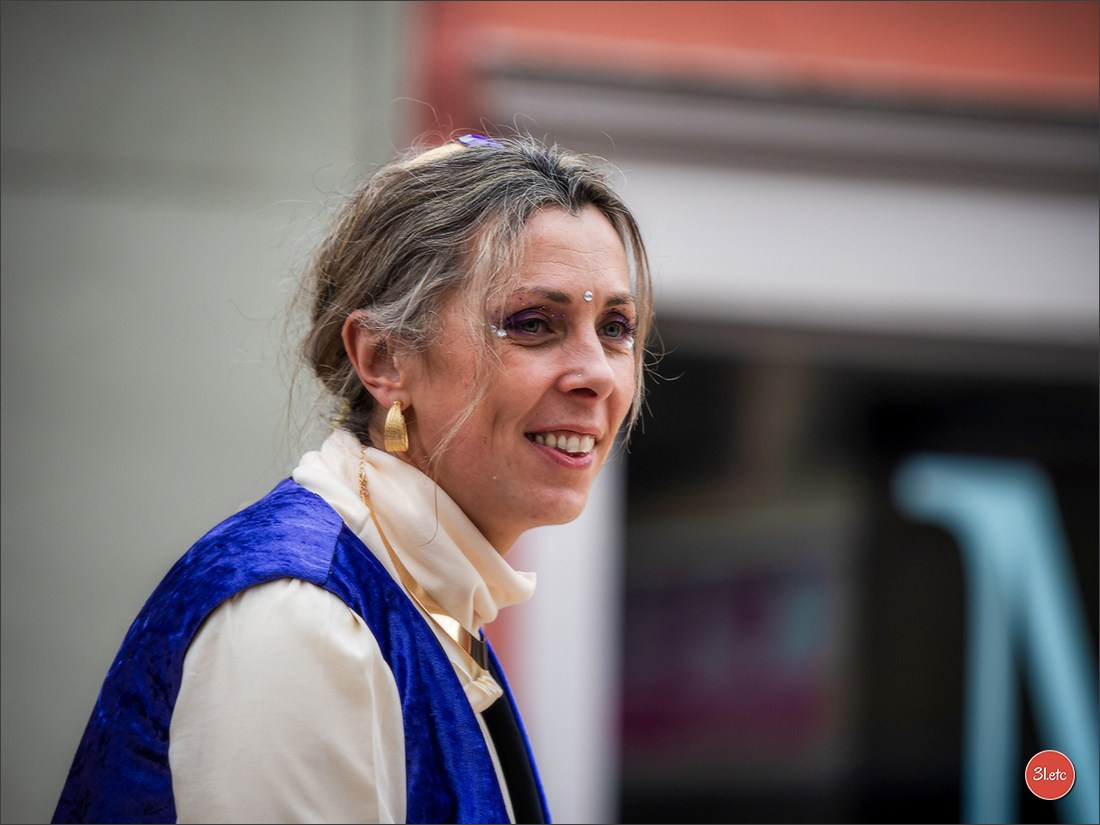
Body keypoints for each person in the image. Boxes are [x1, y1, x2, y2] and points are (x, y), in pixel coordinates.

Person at [52, 131, 654, 824]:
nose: (596, 375)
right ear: (384, 359)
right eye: (533, 323)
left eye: (616, 327)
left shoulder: (426, 598)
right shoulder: (302, 617)